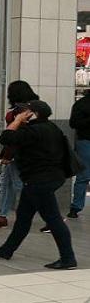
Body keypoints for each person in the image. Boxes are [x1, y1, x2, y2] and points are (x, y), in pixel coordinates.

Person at [0, 100, 77, 270]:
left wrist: (17, 120)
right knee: (23, 217)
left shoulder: (33, 130)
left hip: (40, 181)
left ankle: (68, 258)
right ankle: (6, 250)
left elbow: (5, 138)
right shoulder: (51, 128)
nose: (21, 113)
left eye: (26, 111)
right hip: (47, 178)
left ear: (34, 114)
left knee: (53, 219)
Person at [0, 80, 37, 227]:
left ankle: (49, 214)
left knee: (19, 185)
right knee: (7, 183)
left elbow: (15, 136)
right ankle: (1, 214)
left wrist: (7, 156)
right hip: (24, 151)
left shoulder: (21, 110)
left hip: (17, 153)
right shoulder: (33, 107)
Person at [68, 89, 90, 219]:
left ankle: (75, 208)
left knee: (83, 176)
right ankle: (75, 207)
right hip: (85, 141)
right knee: (83, 176)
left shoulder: (80, 104)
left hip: (84, 141)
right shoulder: (82, 104)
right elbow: (73, 123)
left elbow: (73, 123)